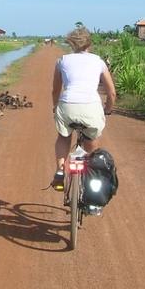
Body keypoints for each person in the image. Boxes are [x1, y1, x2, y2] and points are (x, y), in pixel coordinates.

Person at [51, 27, 116, 190]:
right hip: (91, 107)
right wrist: (108, 109)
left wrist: (55, 107)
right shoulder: (98, 61)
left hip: (67, 106)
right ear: (89, 43)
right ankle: (90, 175)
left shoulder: (62, 60)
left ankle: (60, 169)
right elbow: (112, 93)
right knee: (91, 141)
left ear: (72, 44)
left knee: (64, 137)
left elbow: (55, 90)